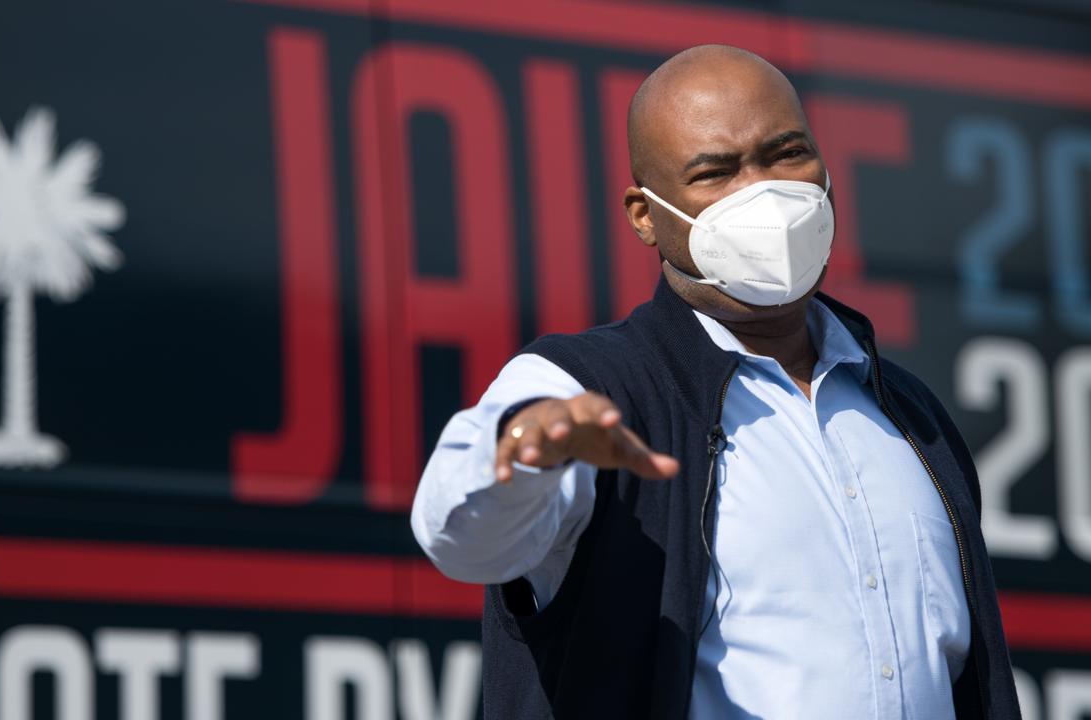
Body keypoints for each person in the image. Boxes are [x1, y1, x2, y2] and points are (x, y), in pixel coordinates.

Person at [410, 44, 1020, 719]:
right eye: (715, 172)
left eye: (786, 154)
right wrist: (522, 454)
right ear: (645, 215)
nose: (761, 191)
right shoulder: (590, 389)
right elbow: (462, 538)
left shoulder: (906, 412)